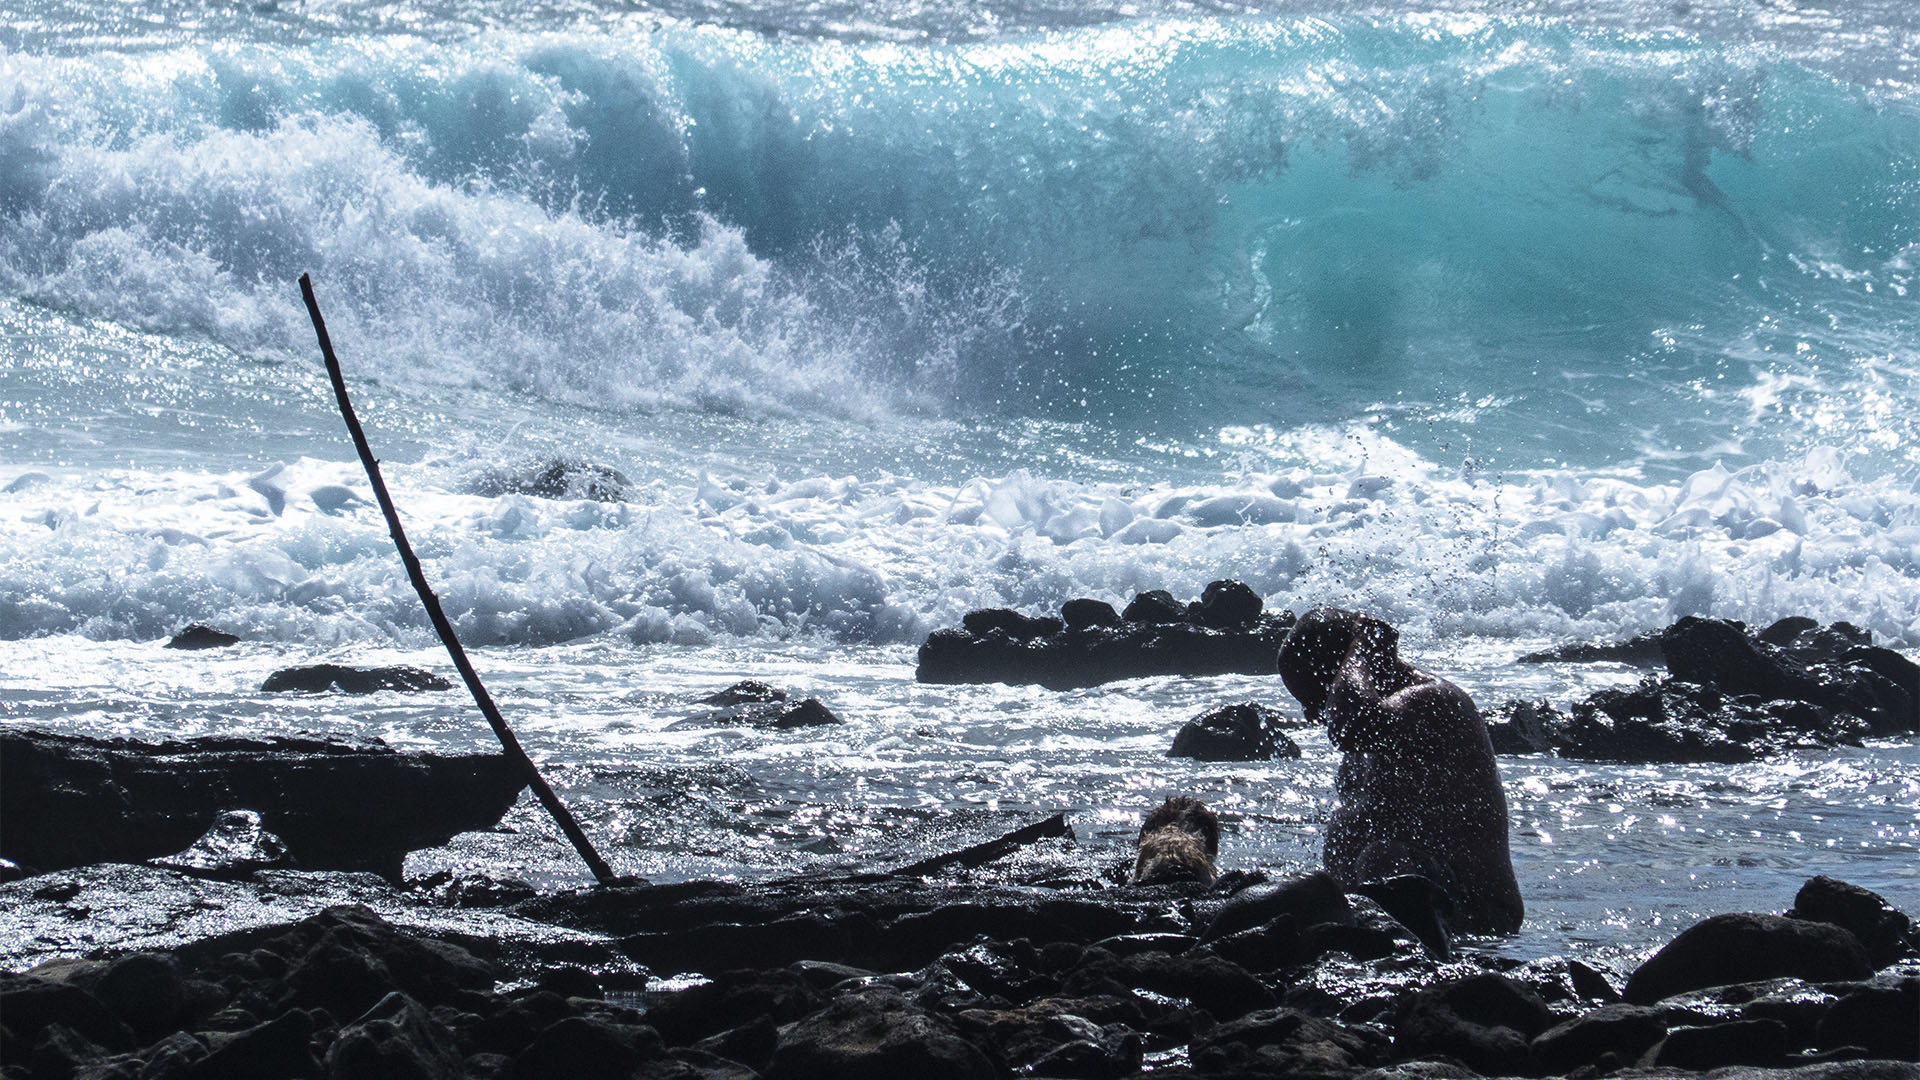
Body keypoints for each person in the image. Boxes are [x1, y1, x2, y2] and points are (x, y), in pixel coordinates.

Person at [1278, 607, 1523, 934]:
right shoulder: (1373, 714)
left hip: (1481, 908)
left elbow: (1353, 725)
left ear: (1347, 668)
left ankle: (1397, 957)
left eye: (1315, 699)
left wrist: (1361, 648)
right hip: (1411, 897)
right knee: (1342, 830)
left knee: (1383, 857)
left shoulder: (1432, 700)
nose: (1312, 716)